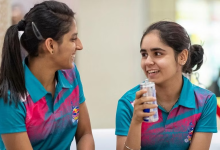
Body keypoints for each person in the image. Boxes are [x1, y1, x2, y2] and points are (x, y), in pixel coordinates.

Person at [0, 1, 94, 150]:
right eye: (73, 38)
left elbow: (84, 134)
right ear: (50, 45)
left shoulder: (71, 74)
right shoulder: (12, 98)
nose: (80, 45)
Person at [115, 21, 217, 150]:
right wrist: (136, 121)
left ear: (182, 57)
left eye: (157, 53)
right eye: (144, 54)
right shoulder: (129, 102)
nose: (148, 62)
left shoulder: (204, 102)